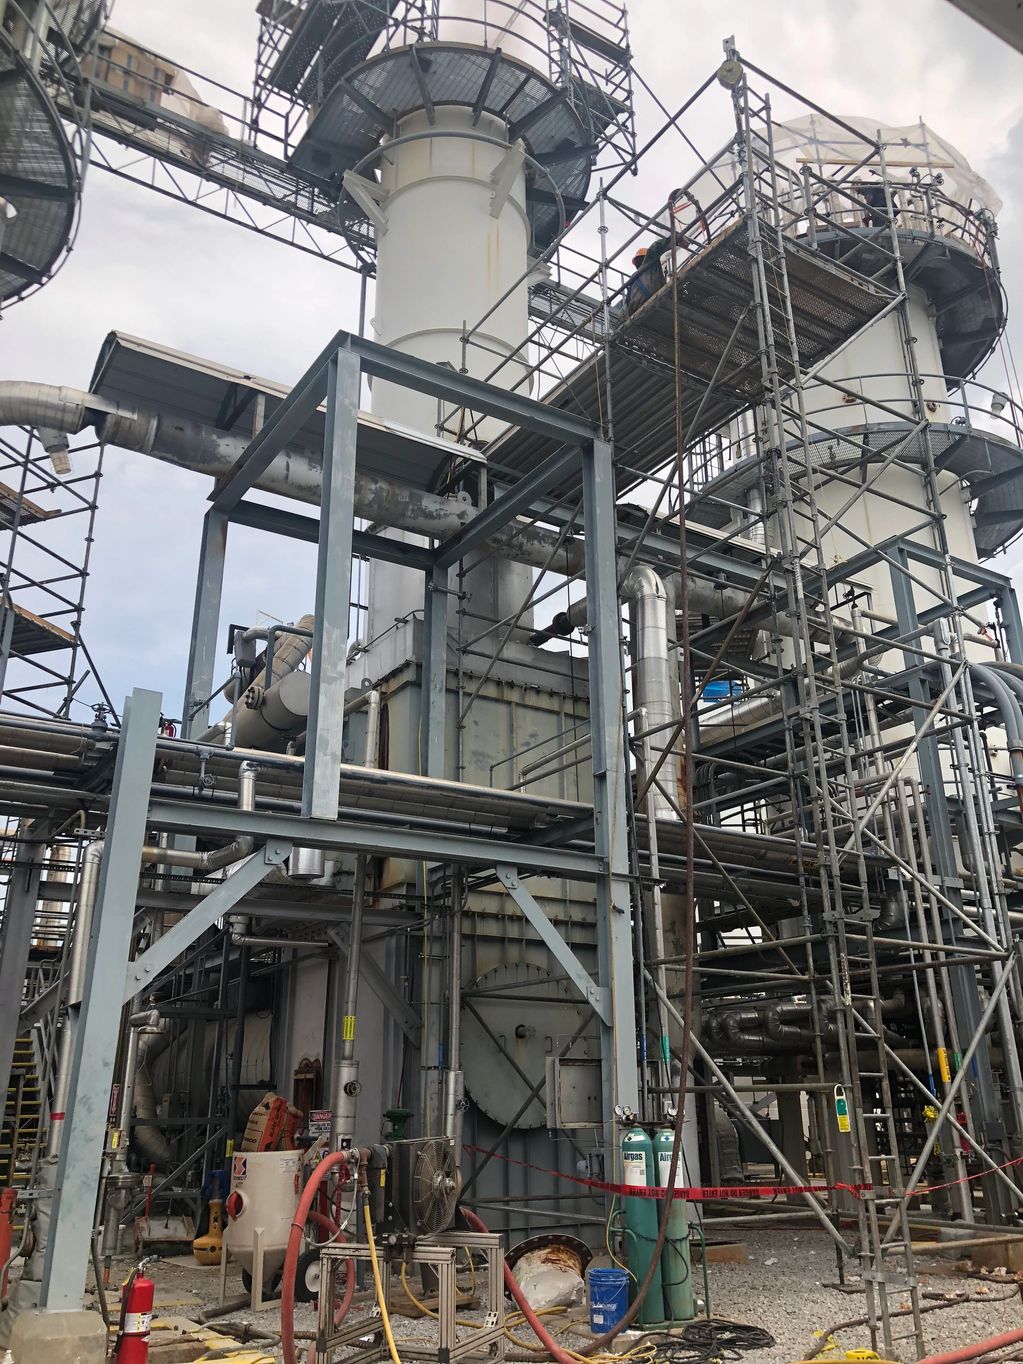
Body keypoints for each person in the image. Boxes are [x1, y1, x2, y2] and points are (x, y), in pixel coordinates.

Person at [625, 237, 671, 315]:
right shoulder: (651, 266)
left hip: (636, 313)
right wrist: (674, 239)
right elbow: (654, 248)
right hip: (653, 303)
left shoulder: (632, 281)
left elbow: (625, 307)